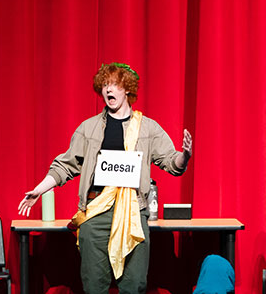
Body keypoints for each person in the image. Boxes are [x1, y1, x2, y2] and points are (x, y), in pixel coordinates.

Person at [17, 62, 193, 294]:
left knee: (135, 284)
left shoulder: (147, 128)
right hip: (96, 212)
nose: (109, 90)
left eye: (115, 85)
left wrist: (185, 157)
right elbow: (65, 166)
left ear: (127, 89)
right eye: (105, 85)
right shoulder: (88, 128)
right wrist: (39, 189)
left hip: (133, 212)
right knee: (93, 284)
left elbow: (171, 162)